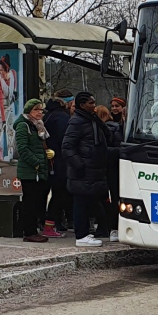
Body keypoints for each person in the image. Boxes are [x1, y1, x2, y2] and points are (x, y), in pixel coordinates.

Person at [62, 92, 112, 247]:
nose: (94, 105)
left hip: (93, 170)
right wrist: (80, 165)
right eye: (91, 103)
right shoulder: (77, 121)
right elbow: (67, 146)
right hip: (83, 171)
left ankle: (86, 232)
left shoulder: (91, 120)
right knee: (81, 203)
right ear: (82, 105)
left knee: (89, 201)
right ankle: (81, 235)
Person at [14, 99, 52, 243]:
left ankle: (33, 229)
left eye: (41, 110)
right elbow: (23, 149)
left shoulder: (38, 126)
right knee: (29, 202)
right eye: (36, 110)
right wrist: (36, 163)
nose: (40, 113)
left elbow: (39, 146)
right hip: (30, 171)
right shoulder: (24, 126)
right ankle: (29, 231)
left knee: (36, 201)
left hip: (39, 169)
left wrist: (47, 153)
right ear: (29, 111)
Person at [42, 89, 73, 237]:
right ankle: (50, 225)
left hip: (51, 159)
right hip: (59, 160)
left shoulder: (49, 114)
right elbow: (64, 140)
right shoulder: (61, 117)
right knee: (59, 194)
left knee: (53, 193)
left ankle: (49, 224)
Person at [96, 105, 123, 242]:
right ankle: (113, 228)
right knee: (114, 199)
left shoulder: (109, 129)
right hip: (113, 169)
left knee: (108, 198)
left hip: (108, 168)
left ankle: (109, 227)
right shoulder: (115, 128)